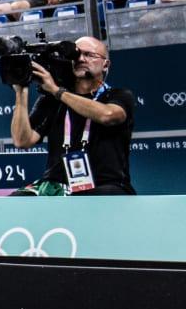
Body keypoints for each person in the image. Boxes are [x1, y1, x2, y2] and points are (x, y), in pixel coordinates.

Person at [9, 37, 134, 194]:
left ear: (105, 64)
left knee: (92, 200)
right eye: (76, 55)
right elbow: (22, 141)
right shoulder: (51, 101)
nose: (81, 59)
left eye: (89, 55)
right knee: (16, 199)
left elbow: (108, 115)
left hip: (104, 185)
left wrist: (57, 91)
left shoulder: (118, 95)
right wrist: (21, 91)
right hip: (57, 186)